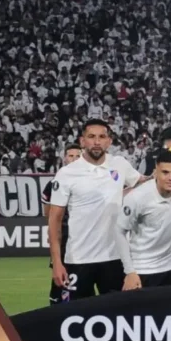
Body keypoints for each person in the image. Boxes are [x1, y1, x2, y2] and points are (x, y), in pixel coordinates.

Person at [48, 119, 148, 300]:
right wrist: (56, 262)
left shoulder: (120, 164)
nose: (96, 142)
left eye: (102, 137)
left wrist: (165, 174)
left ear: (109, 141)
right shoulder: (67, 173)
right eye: (91, 137)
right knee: (75, 319)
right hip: (78, 259)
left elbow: (143, 182)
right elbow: (54, 220)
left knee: (118, 318)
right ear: (82, 141)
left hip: (115, 258)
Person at [116, 149, 171, 289]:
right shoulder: (137, 198)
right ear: (156, 173)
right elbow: (119, 231)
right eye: (165, 172)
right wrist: (130, 272)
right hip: (144, 269)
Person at [41, 143, 82, 304]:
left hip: (85, 240)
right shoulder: (54, 184)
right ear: (65, 158)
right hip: (64, 240)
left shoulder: (93, 181)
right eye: (71, 156)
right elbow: (48, 214)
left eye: (77, 156)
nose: (74, 159)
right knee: (60, 281)